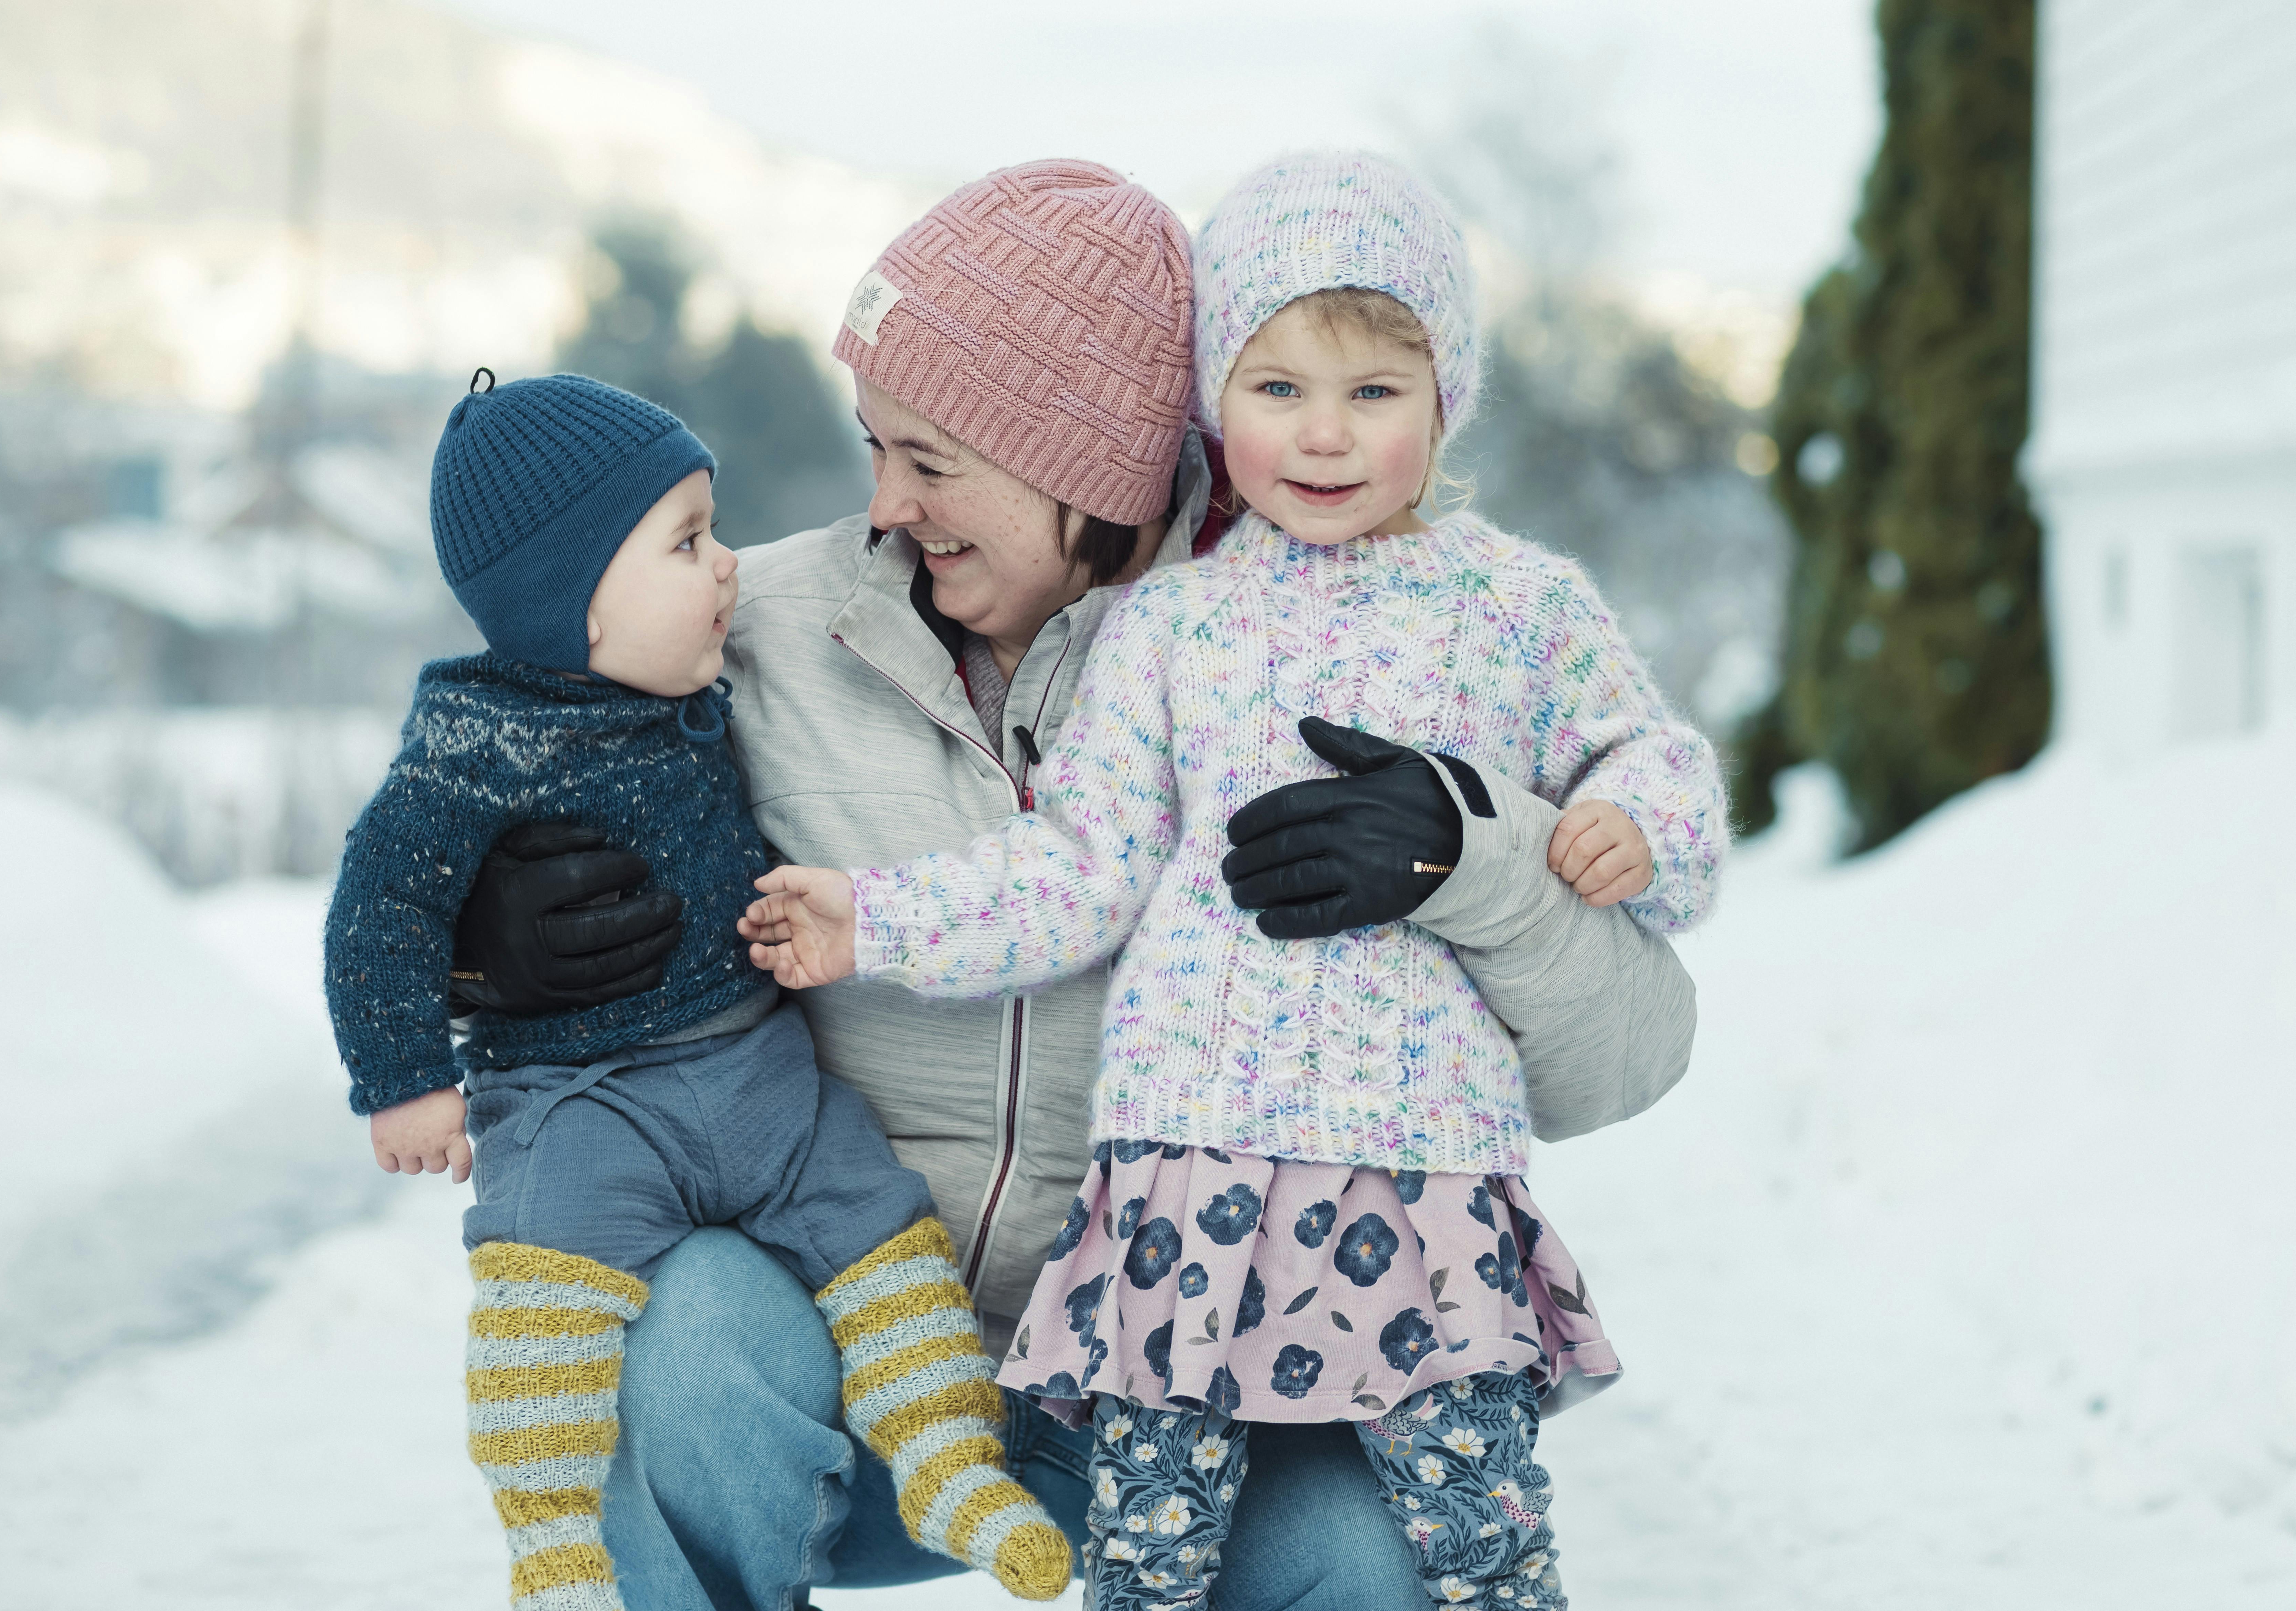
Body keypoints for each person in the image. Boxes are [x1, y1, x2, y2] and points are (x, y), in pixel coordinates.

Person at [451, 159, 1705, 1611]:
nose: (881, 506)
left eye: (927, 460)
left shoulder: (1347, 647)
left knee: (1372, 1560)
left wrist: (1465, 859)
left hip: (1189, 1360)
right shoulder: (757, 632)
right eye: (874, 448)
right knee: (680, 1337)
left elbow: (1633, 1055)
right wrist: (478, 941)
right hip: (863, 1344)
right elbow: (485, 763)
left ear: (1080, 457)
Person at [321, 371, 1070, 1609]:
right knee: (546, 1297)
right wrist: (411, 1067)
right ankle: (553, 1537)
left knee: (882, 1239)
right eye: (687, 543)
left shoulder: (709, 686)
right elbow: (378, 907)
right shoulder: (472, 742)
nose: (726, 567)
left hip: (756, 1072)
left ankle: (947, 1462)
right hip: (582, 1106)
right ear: (575, 611)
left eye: (714, 531)